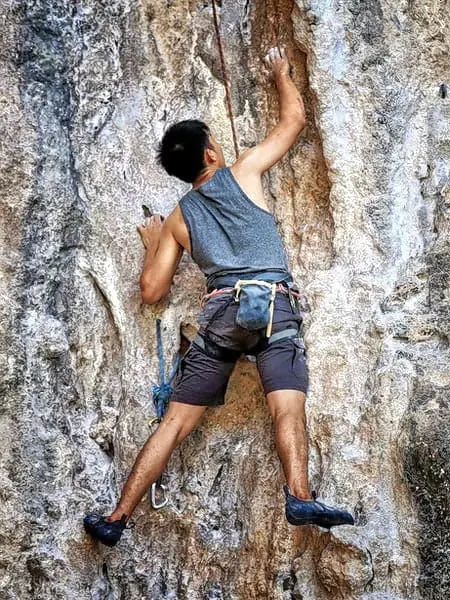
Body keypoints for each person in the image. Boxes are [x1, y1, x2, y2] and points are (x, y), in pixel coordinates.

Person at [83, 47, 354, 547]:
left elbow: (151, 291)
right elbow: (294, 120)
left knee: (176, 423)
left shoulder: (178, 218)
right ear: (211, 154)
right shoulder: (245, 171)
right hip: (274, 305)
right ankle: (299, 494)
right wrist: (279, 74)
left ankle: (116, 517)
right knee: (287, 409)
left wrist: (154, 246)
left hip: (223, 314)